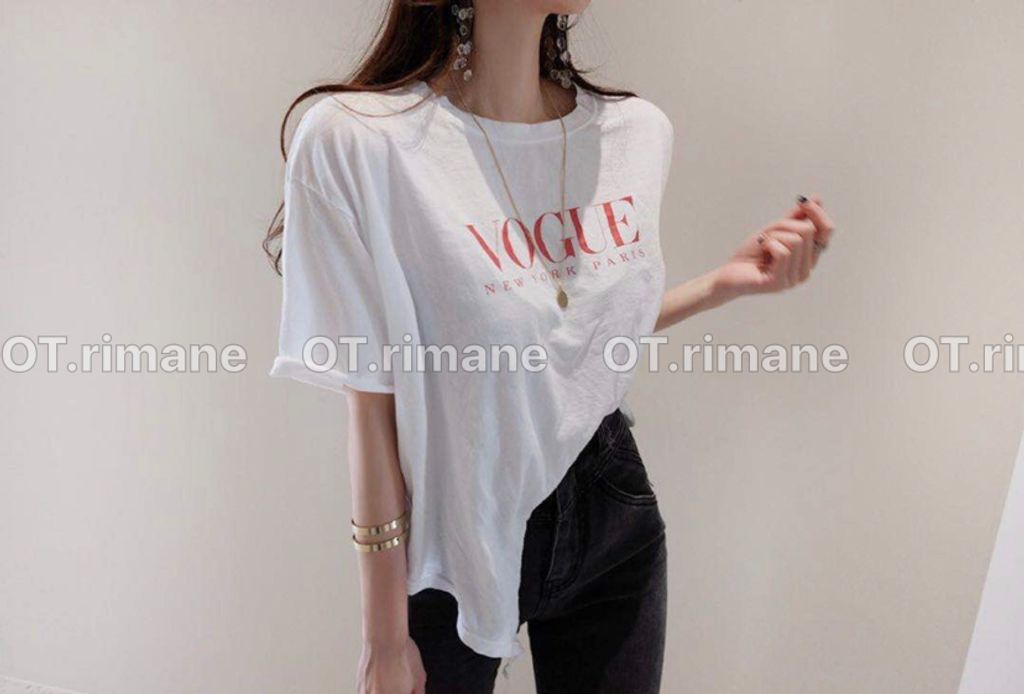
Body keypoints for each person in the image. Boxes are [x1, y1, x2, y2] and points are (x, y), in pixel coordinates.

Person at [265, 1, 835, 692]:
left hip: (610, 504)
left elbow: (566, 337)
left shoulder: (634, 134)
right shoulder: (360, 142)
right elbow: (372, 403)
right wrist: (385, 640)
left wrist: (722, 283)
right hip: (453, 530)